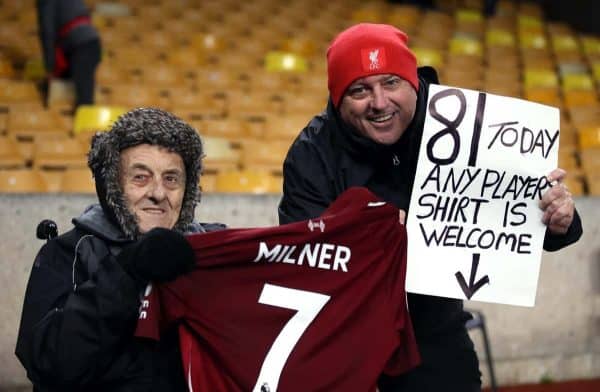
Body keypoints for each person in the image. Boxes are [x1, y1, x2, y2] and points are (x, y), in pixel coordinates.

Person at [278, 23, 583, 392]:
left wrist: (559, 218)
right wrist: (376, 230)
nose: (378, 103)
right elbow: (303, 259)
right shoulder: (311, 154)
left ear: (413, 83)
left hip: (433, 332)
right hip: (344, 335)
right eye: (359, 90)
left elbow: (515, 217)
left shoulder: (472, 125)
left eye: (391, 83)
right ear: (338, 98)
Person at [15, 108, 225, 391]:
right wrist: (127, 270)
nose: (159, 193)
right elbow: (50, 365)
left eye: (171, 179)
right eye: (141, 177)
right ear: (111, 186)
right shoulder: (69, 252)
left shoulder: (210, 252)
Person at [36, 0, 102, 108]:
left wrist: (49, 67)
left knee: (84, 102)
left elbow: (47, 32)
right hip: (90, 44)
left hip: (80, 47)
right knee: (77, 95)